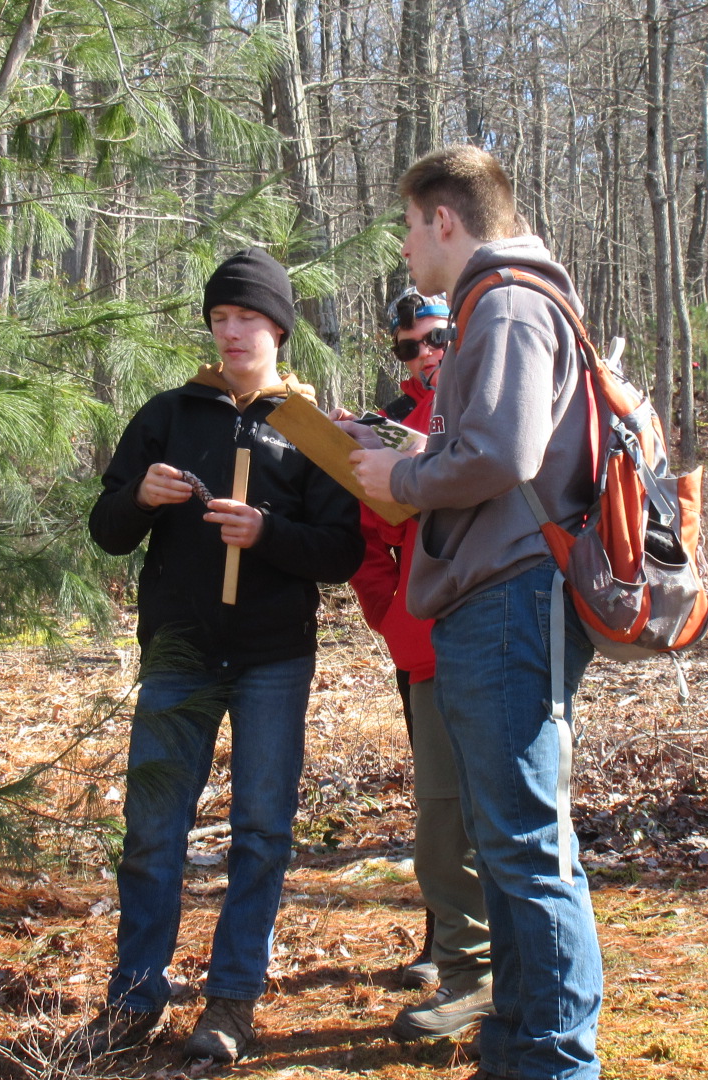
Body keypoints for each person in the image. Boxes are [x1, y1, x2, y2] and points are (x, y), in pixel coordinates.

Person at [75, 248, 364, 1065]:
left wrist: (266, 533)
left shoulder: (307, 428)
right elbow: (106, 530)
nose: (232, 332)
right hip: (180, 654)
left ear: (279, 328)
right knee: (151, 831)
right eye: (220, 318)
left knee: (261, 832)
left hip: (273, 659)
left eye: (248, 318)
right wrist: (140, 497)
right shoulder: (169, 415)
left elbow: (341, 551)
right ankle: (134, 1000)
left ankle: (232, 1002)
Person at [351, 146, 602, 1080]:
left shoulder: (506, 303)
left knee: (528, 845)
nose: (405, 247)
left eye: (410, 227)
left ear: (445, 220)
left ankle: (556, 1058)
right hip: (497, 597)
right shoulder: (496, 306)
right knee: (507, 842)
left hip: (509, 599)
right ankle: (520, 1044)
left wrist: (403, 478)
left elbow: (503, 453)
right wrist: (394, 448)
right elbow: (494, 448)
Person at [345, 288, 494, 1041]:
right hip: (420, 644)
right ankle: (447, 950)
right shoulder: (386, 426)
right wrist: (391, 614)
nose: (425, 354)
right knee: (439, 804)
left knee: (495, 805)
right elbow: (368, 544)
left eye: (437, 339)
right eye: (410, 347)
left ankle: (502, 966)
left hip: (495, 631)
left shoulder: (487, 400)